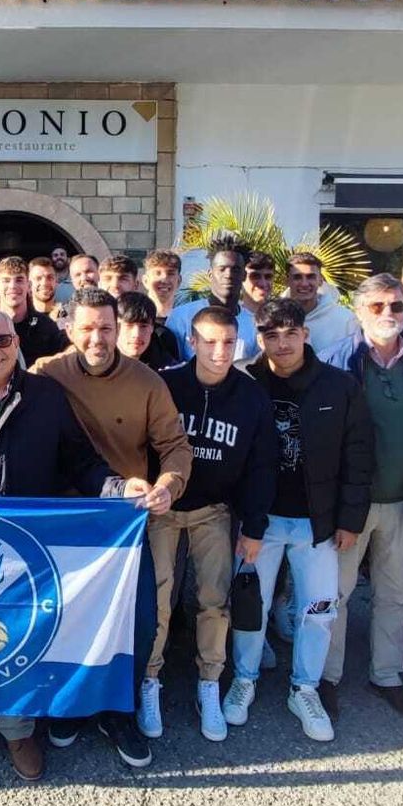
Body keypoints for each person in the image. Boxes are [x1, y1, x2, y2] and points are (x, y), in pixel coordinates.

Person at [0, 307, 140, 782]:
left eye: (1, 340)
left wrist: (120, 490)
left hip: (26, 547)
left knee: (18, 634)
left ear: (16, 342)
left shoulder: (45, 396)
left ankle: (18, 729)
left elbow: (82, 461)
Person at [31, 288, 191, 770]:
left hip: (123, 523)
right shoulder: (45, 374)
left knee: (137, 619)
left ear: (117, 327)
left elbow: (175, 445)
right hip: (63, 521)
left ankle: (119, 711)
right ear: (70, 329)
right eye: (87, 328)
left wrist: (169, 483)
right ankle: (74, 705)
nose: (97, 337)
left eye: (105, 327)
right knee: (69, 617)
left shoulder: (146, 382)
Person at [226, 298, 372, 743]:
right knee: (252, 606)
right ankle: (244, 678)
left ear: (306, 334)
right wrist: (245, 518)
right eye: (271, 334)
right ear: (260, 337)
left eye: (291, 333)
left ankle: (304, 687)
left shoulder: (339, 386)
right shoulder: (246, 382)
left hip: (318, 521)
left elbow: (359, 454)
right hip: (261, 520)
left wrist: (349, 518)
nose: (282, 343)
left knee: (319, 609)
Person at [151, 305, 278, 742]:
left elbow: (263, 465)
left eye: (228, 342)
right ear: (192, 341)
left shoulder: (251, 395)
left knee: (214, 599)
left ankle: (209, 681)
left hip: (215, 509)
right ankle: (150, 679)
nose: (220, 351)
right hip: (164, 508)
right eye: (209, 341)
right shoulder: (167, 384)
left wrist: (255, 525)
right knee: (158, 597)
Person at [319, 274, 403, 719]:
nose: (388, 315)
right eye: (377, 307)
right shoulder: (335, 362)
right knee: (335, 593)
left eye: (395, 306)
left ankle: (387, 676)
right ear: (358, 311)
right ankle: (326, 678)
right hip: (351, 504)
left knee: (396, 593)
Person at [165, 233, 257, 361]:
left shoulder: (254, 324)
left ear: (244, 275)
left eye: (235, 269)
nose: (228, 275)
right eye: (222, 269)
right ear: (210, 274)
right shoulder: (181, 317)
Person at [0, 255, 70, 367]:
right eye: (6, 280)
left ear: (29, 285)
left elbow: (65, 359)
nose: (13, 286)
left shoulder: (46, 326)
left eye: (19, 280)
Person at [283, 252, 359, 356]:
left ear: (320, 280)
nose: (304, 284)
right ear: (286, 281)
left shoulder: (345, 320)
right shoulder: (272, 317)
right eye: (297, 277)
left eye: (311, 277)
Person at [116, 291, 182, 371]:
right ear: (116, 327)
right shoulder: (100, 365)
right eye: (129, 326)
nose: (136, 334)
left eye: (143, 326)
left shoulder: (169, 370)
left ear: (152, 328)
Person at [143, 249, 182, 324]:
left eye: (170, 273)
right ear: (145, 281)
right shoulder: (134, 319)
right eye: (157, 273)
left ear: (179, 281)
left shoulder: (186, 320)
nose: (164, 279)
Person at [29, 256, 65, 324]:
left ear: (56, 282)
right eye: (38, 278)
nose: (44, 283)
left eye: (50, 277)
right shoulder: (22, 316)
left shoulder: (67, 317)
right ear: (29, 284)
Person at [241, 251, 275, 319]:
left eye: (268, 277)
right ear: (241, 277)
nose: (263, 283)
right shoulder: (228, 318)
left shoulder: (282, 319)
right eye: (255, 276)